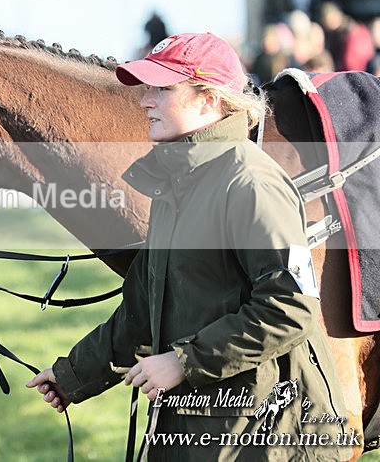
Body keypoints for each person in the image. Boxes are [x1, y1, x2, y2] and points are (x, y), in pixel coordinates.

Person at [26, 33, 350, 461]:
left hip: (266, 438)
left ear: (209, 100)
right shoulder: (174, 187)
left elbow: (291, 307)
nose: (145, 101)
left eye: (162, 89)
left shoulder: (252, 183)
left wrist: (183, 362)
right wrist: (72, 376)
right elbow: (141, 313)